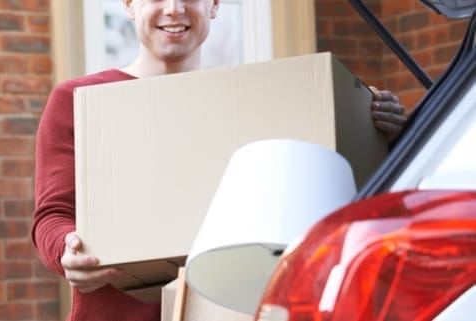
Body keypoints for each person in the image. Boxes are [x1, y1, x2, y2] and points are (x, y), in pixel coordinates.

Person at [32, 0, 408, 320]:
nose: (175, 9)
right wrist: (68, 251)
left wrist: (375, 133)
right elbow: (52, 215)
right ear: (130, 4)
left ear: (214, 5)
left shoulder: (252, 106)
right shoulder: (77, 101)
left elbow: (321, 189)